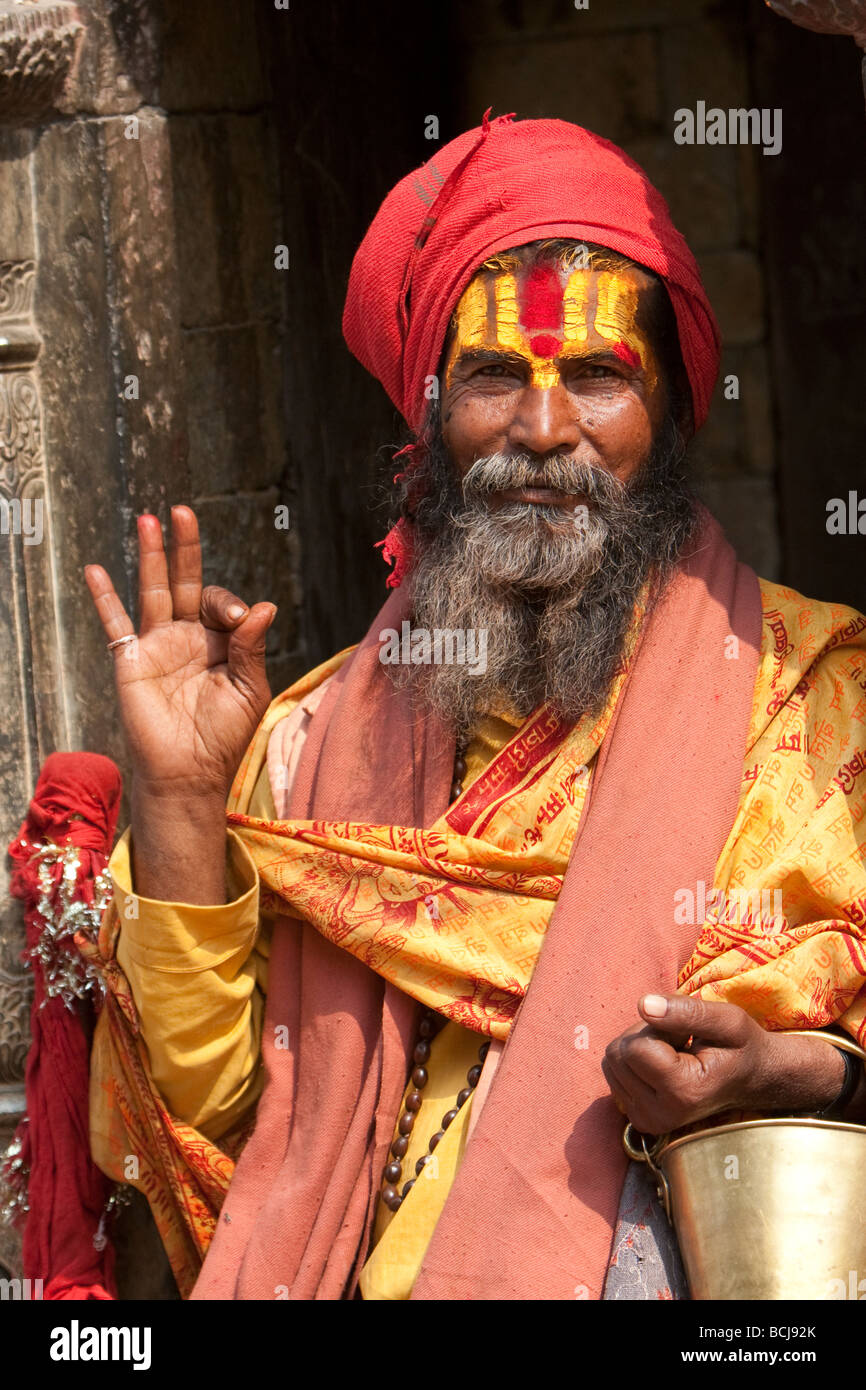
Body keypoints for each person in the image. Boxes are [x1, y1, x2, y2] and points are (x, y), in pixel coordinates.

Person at [83, 115, 866, 1301]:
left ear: (671, 414)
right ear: (430, 416)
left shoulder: (815, 698)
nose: (542, 431)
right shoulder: (306, 742)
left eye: (597, 376)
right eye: (496, 375)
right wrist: (183, 802)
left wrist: (803, 1070)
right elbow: (206, 1140)